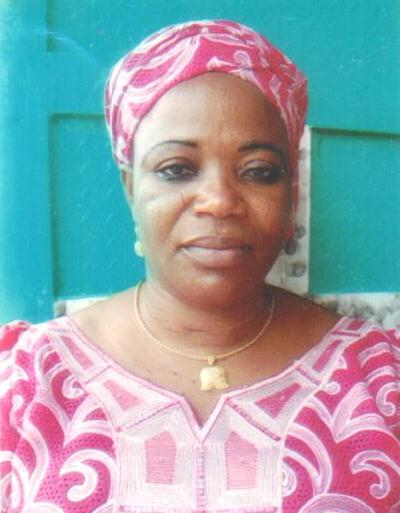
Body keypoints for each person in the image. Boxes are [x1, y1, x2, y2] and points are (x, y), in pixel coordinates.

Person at [1, 19, 399, 513]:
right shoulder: (23, 383)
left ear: (291, 193)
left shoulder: (381, 381)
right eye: (177, 169)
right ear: (131, 189)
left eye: (259, 171)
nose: (219, 201)